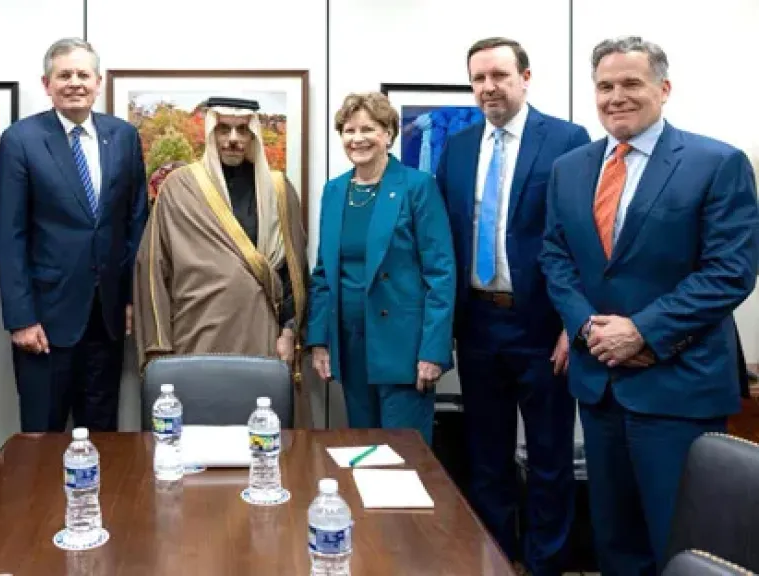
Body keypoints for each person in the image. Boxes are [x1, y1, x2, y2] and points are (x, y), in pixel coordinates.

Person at [540, 36, 759, 575]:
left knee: (682, 545)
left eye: (630, 83)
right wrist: (586, 327)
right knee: (616, 542)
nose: (616, 96)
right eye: (605, 86)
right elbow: (555, 255)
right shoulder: (570, 168)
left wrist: (642, 331)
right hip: (600, 385)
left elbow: (730, 271)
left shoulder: (717, 163)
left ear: (663, 88)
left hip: (678, 385)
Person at [435, 37, 591, 575]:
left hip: (544, 326)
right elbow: (446, 239)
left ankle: (546, 566)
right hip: (478, 324)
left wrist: (574, 323)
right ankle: (496, 560)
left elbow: (583, 239)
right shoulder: (458, 148)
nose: (489, 87)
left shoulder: (568, 140)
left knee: (549, 459)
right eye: (478, 78)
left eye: (499, 75)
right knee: (486, 459)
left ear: (525, 77)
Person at [0, 38, 147, 433]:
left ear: (99, 82)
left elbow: (135, 222)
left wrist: (131, 299)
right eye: (64, 75)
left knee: (103, 436)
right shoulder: (21, 140)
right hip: (45, 320)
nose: (75, 83)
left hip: (107, 318)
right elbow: (9, 235)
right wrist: (21, 318)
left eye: (83, 74)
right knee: (41, 439)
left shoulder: (123, 137)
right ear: (47, 84)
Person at [132, 97, 311, 426]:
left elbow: (293, 272)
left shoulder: (278, 189)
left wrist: (289, 333)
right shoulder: (179, 187)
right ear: (210, 133)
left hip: (261, 334)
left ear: (254, 135)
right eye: (224, 129)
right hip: (195, 334)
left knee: (259, 432)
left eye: (242, 130)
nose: (233, 139)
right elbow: (153, 268)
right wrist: (159, 346)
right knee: (197, 432)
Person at [306, 92, 455, 444]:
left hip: (404, 348)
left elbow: (441, 274)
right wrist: (320, 341)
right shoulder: (334, 191)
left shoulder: (417, 186)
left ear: (388, 133)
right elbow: (324, 273)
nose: (357, 139)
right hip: (351, 345)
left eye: (368, 129)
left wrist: (433, 351)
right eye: (349, 130)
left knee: (404, 454)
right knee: (363, 449)